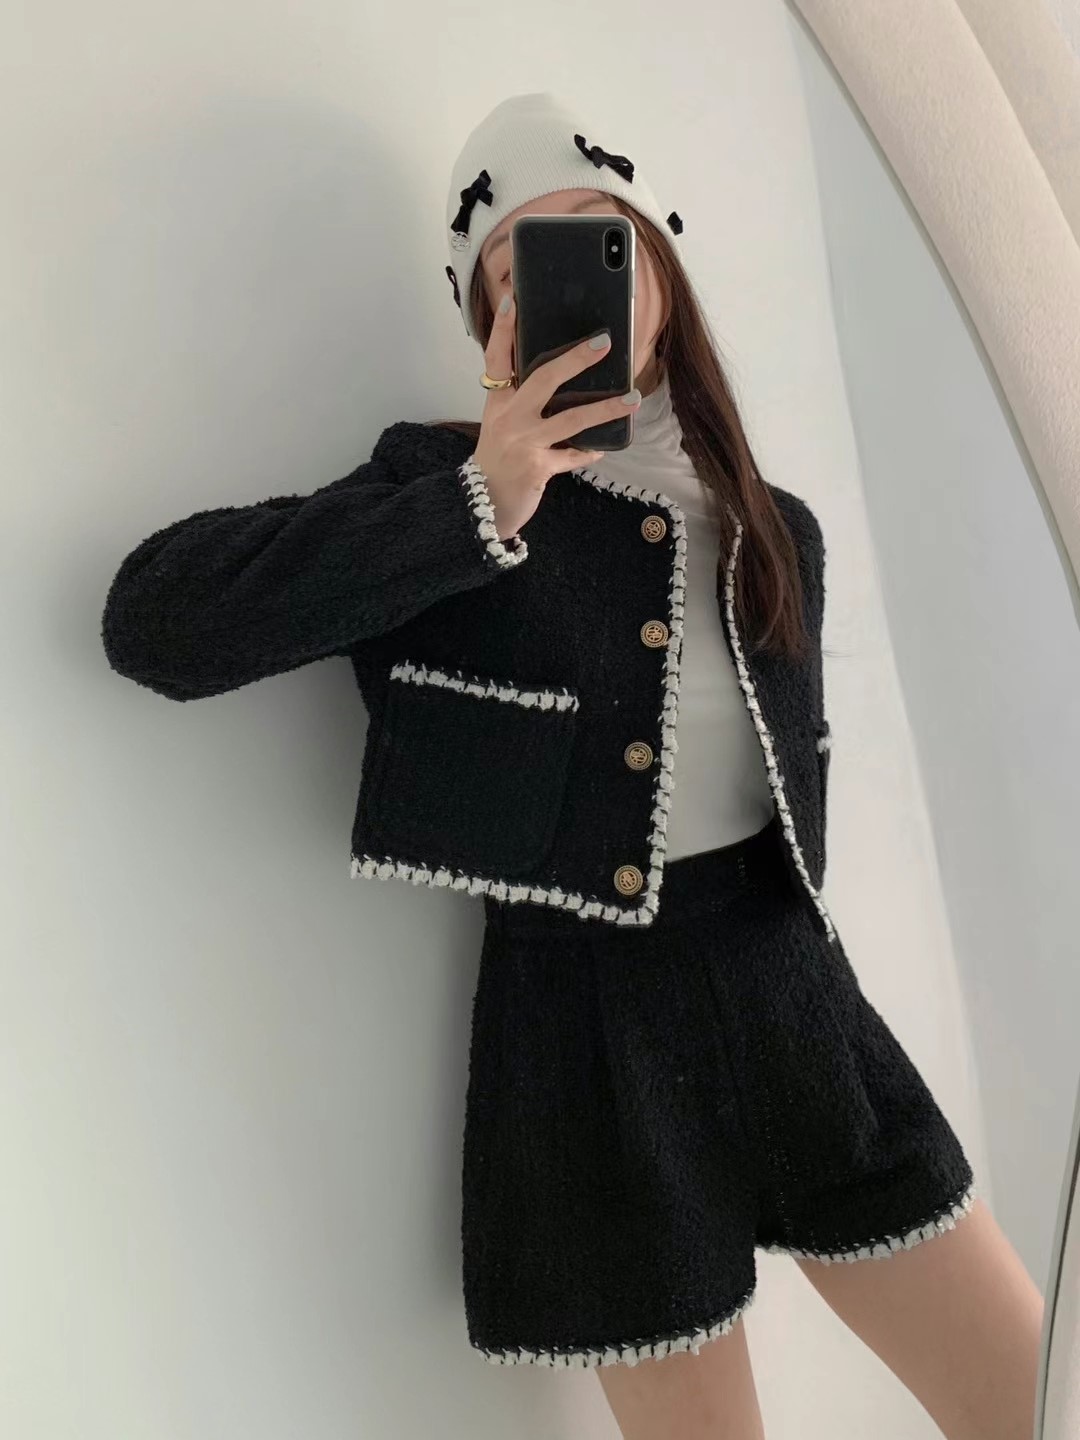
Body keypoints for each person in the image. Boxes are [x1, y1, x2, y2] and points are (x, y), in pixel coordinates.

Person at [102, 91, 1045, 1439]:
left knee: (1031, 1394)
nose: (563, 287)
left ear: (654, 263)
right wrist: (474, 505)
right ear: (490, 324)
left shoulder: (778, 528)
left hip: (796, 999)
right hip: (584, 1042)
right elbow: (157, 623)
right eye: (515, 269)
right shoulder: (443, 491)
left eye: (595, 240)